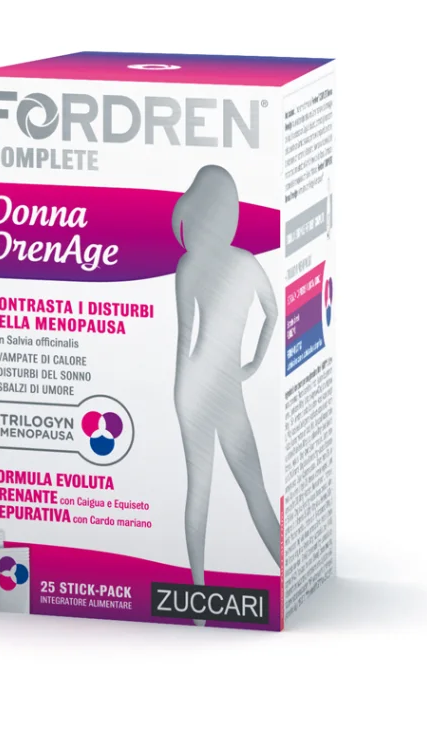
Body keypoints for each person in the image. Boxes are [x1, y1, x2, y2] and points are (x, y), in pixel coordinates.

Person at [172, 165, 280, 619]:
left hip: (196, 386)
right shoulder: (244, 264)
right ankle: (284, 573)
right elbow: (273, 314)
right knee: (251, 490)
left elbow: (185, 340)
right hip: (219, 386)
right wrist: (252, 363)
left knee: (203, 491)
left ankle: (200, 602)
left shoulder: (191, 266)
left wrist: (181, 395)